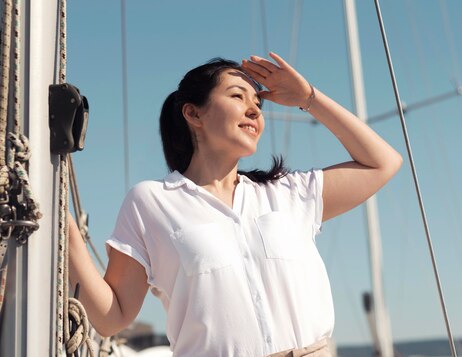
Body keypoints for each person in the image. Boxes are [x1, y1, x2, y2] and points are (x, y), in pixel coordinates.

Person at [68, 52, 402, 357]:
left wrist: (308, 98)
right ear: (193, 113)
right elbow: (113, 317)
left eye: (258, 102)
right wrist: (66, 233)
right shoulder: (151, 202)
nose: (254, 109)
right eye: (237, 96)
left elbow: (383, 163)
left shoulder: (288, 192)